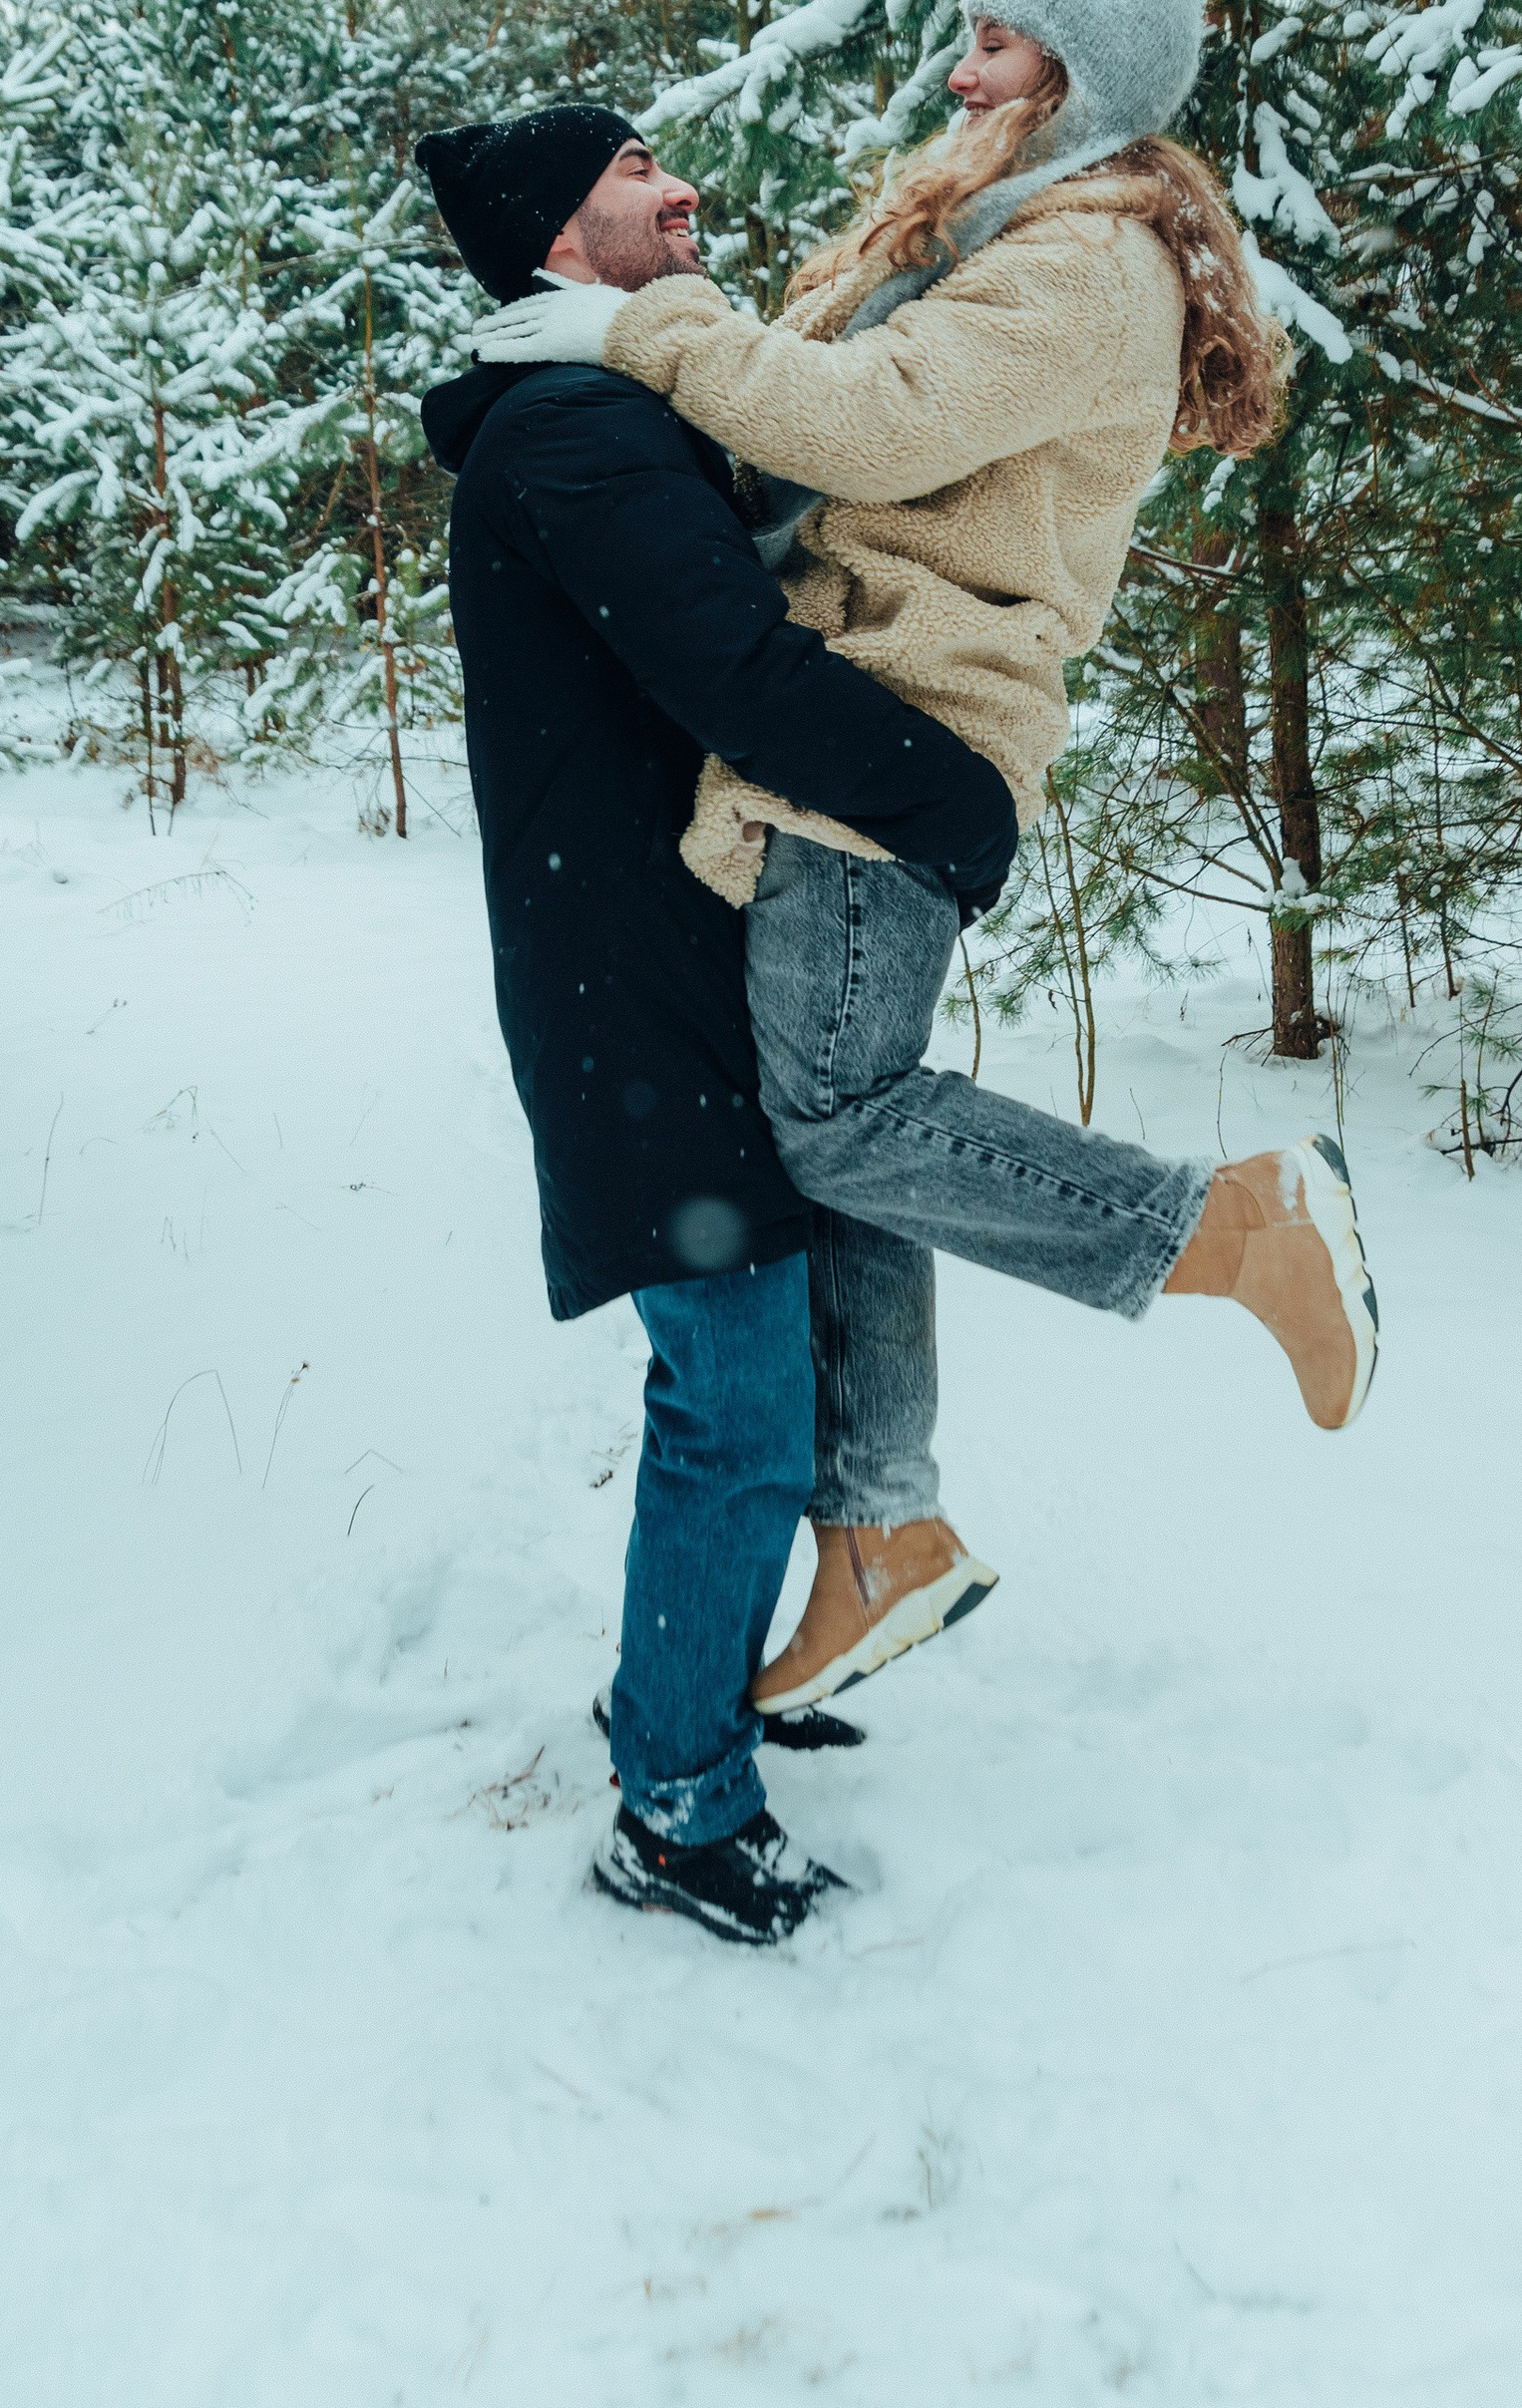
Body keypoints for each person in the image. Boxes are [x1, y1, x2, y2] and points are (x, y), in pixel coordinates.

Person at [475, 0, 1382, 1718]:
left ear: (1077, 73)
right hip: (861, 706)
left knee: (836, 1121)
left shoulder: (1084, 260)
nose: (958, 66)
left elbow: (870, 426)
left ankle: (1233, 1228)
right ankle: (882, 1528)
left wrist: (641, 340)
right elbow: (803, 415)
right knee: (849, 1129)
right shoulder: (1003, 221)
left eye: (996, 40)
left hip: (904, 716)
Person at [416, 102, 1018, 1948]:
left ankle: (686, 1687)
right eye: (631, 182)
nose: (683, 194)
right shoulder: (577, 427)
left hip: (676, 963)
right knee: (735, 1402)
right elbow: (742, 679)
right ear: (554, 244)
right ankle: (674, 1801)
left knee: (763, 1373)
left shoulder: (622, 410)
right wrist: (955, 798)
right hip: (639, 989)